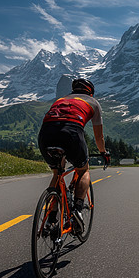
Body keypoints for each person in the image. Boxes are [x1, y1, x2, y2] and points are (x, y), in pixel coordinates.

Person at [37, 78, 109, 234]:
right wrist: (103, 152)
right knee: (83, 170)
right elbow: (99, 138)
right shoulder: (94, 103)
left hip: (45, 134)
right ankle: (77, 209)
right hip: (72, 133)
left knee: (57, 173)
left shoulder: (61, 100)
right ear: (90, 91)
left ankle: (51, 217)